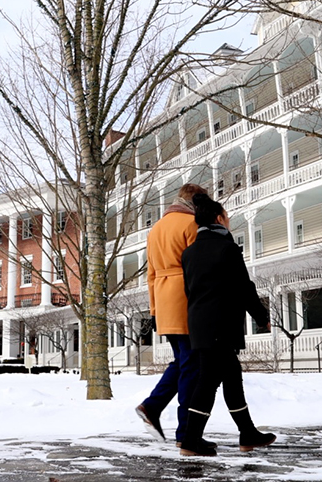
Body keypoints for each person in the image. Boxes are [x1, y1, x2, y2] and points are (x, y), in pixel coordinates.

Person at [178, 193, 273, 456]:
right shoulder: (227, 249)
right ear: (219, 218)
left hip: (199, 325)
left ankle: (247, 433)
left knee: (231, 377)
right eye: (227, 217)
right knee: (208, 381)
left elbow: (190, 290)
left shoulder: (189, 253)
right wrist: (261, 316)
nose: (229, 221)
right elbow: (244, 287)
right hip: (220, 325)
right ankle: (190, 441)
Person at [135, 183, 209, 447]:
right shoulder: (191, 224)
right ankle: (186, 432)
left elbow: (151, 274)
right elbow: (197, 267)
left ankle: (152, 407)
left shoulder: (155, 230)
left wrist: (154, 309)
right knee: (192, 366)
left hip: (164, 300)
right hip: (186, 299)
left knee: (182, 362)